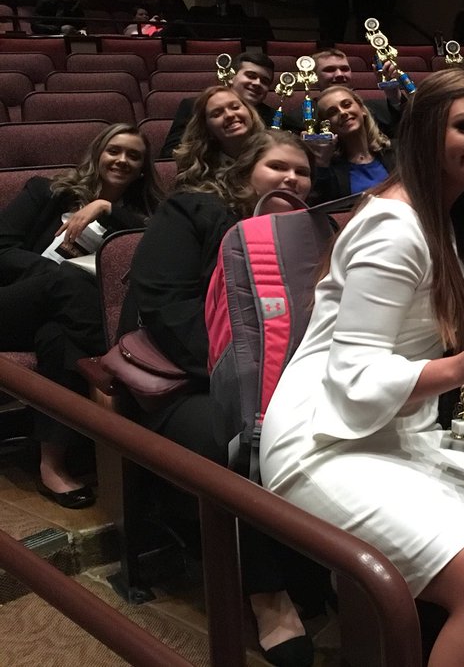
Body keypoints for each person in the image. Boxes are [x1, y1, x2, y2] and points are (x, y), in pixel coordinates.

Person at [259, 73, 464, 667]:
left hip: (392, 429)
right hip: (324, 437)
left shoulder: (441, 217)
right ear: (423, 135)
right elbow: (356, 378)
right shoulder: (395, 228)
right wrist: (462, 366)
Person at [122, 130, 320, 665]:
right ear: (244, 171)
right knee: (229, 443)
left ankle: (325, 567)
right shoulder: (192, 212)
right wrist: (239, 380)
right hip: (189, 383)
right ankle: (268, 597)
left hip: (282, 381)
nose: (292, 180)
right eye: (278, 167)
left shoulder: (306, 232)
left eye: (302, 172)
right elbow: (163, 306)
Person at [0, 123, 162, 507]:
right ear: (97, 155)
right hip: (13, 306)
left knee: (60, 338)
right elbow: (2, 249)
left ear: (142, 168)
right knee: (66, 282)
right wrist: (53, 272)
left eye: (134, 155)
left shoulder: (140, 218)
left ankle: (52, 466)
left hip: (66, 320)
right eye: (114, 150)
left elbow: (150, 244)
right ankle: (126, 382)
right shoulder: (46, 191)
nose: (122, 160)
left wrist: (106, 208)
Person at [161, 53, 279, 158]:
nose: (257, 83)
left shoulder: (276, 117)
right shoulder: (195, 106)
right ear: (232, 77)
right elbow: (170, 153)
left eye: (265, 81)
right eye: (251, 76)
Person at [311, 86, 395, 203]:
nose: (343, 113)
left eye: (346, 105)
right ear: (326, 126)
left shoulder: (395, 151)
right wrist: (322, 163)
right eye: (332, 112)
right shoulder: (329, 170)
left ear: (362, 110)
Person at [173, 86, 266, 191]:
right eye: (217, 114)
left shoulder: (274, 151)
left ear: (250, 113)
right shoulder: (195, 170)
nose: (229, 115)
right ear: (206, 128)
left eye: (235, 107)